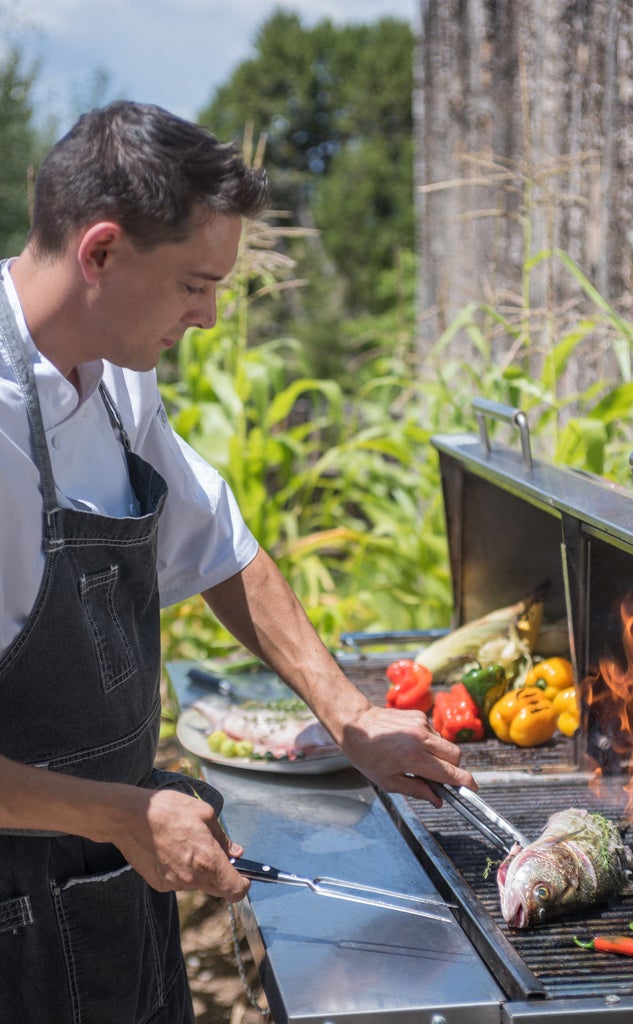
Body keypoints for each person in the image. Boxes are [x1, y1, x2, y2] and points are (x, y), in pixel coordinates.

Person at [0, 100, 475, 1023]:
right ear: (100, 253)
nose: (210, 317)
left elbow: (218, 544)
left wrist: (349, 717)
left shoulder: (114, 376)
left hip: (112, 886)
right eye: (192, 284)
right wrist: (122, 815)